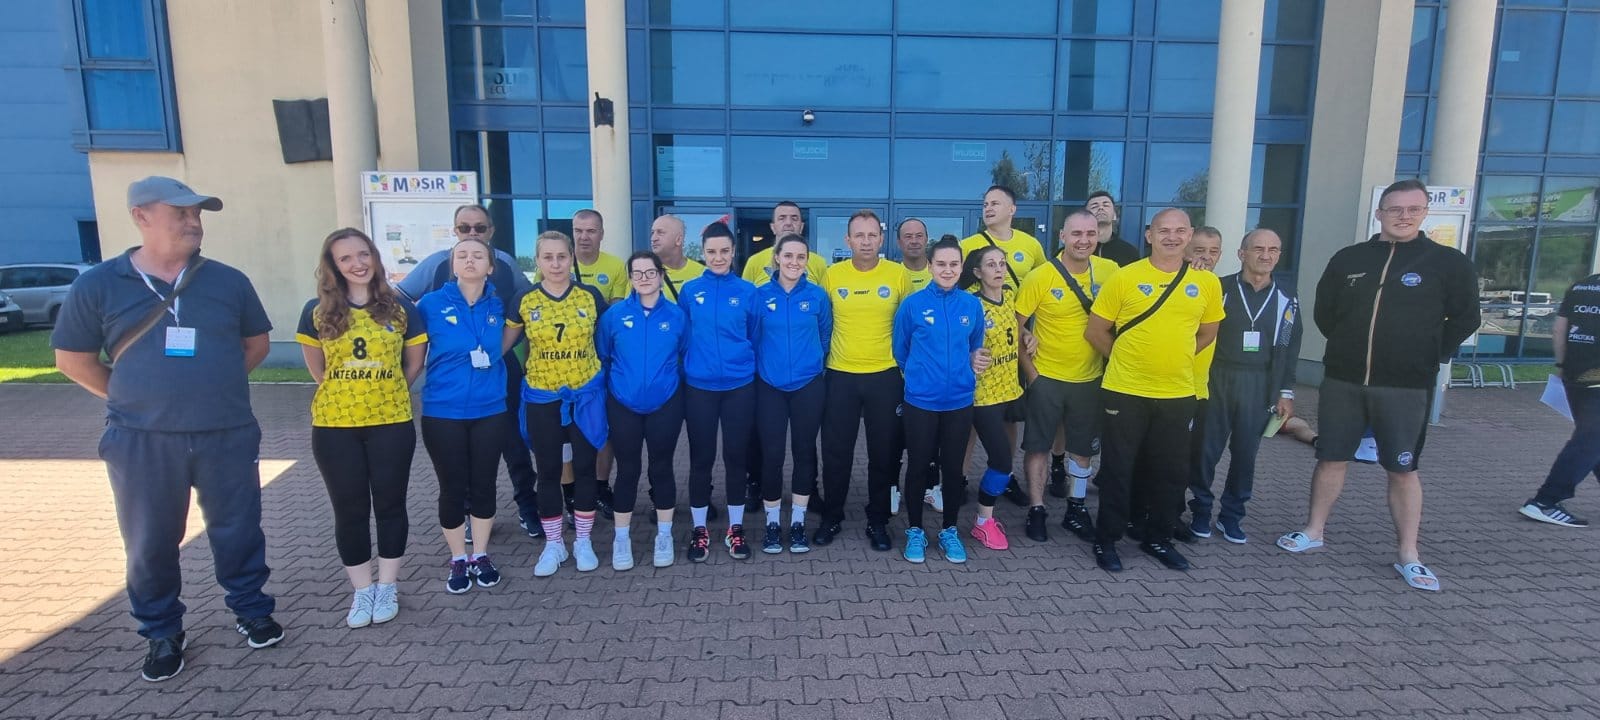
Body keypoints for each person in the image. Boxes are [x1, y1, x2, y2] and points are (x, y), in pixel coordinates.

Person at [52, 176, 283, 682]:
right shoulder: (99, 284)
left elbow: (256, 345)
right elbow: (72, 359)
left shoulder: (228, 281)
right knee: (150, 540)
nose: (193, 221)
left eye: (197, 213)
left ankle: (251, 608)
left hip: (226, 431)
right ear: (141, 216)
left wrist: (210, 388)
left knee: (239, 527)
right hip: (142, 439)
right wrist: (135, 398)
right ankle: (161, 630)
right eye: (180, 212)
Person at [1278, 179, 1479, 592]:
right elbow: (1325, 313)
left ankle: (1409, 553)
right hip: (1344, 379)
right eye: (1395, 209)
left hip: (1406, 386)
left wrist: (1428, 354)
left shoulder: (1447, 262)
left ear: (1424, 213)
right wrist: (1347, 345)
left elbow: (1466, 317)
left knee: (1402, 468)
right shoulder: (1349, 258)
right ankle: (1314, 530)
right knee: (1331, 458)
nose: (1403, 216)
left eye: (1413, 209)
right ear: (1379, 213)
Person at [297, 228, 428, 624]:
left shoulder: (401, 309)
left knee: (390, 505)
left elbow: (414, 364)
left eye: (362, 254)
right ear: (333, 266)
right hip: (335, 426)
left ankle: (387, 586)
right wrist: (347, 393)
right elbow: (318, 370)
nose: (357, 264)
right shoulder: (316, 311)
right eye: (346, 258)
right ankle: (362, 591)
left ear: (374, 256)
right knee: (349, 509)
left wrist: (386, 391)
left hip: (391, 422)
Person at [1085, 208, 1223, 573]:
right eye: (1164, 230)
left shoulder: (1207, 283)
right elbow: (1095, 331)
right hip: (1125, 390)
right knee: (1118, 469)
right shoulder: (1126, 277)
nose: (1172, 237)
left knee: (1170, 471)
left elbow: (1208, 332)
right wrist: (1128, 360)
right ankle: (1107, 539)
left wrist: (1176, 357)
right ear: (1150, 235)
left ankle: (1158, 538)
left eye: (1180, 231)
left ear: (1189, 235)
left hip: (1177, 393)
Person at [397, 205, 542, 540]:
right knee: (457, 458)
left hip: (497, 365)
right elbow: (399, 301)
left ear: (491, 231)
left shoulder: (505, 263)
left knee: (514, 443)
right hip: (451, 376)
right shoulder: (436, 265)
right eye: (465, 228)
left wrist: (499, 351)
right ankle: (464, 514)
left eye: (479, 228)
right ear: (455, 231)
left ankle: (527, 506)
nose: (472, 234)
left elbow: (526, 302)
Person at [503, 230, 611, 577]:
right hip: (542, 397)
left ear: (571, 258)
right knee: (548, 471)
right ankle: (554, 544)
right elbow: (502, 346)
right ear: (537, 261)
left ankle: (583, 540)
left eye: (561, 256)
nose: (555, 264)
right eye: (547, 257)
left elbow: (607, 341)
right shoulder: (524, 300)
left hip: (585, 396)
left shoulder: (590, 296)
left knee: (585, 469)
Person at [1188, 229, 1302, 544]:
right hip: (1218, 377)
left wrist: (1285, 391)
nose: (1265, 255)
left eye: (1273, 250)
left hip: (1259, 382)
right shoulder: (1220, 288)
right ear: (1242, 254)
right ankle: (1200, 510)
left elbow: (1290, 345)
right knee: (1205, 450)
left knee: (1245, 454)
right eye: (1258, 249)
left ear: (1279, 255)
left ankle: (1232, 516)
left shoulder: (1286, 296)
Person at [1013, 211, 1120, 543]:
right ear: (1062, 236)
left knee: (1082, 450)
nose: (1083, 240)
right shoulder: (1041, 276)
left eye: (1090, 233)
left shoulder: (1111, 272)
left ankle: (1076, 508)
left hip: (1090, 380)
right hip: (1047, 377)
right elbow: (1014, 326)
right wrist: (1033, 375)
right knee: (1038, 447)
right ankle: (1037, 509)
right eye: (1076, 233)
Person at [416, 236, 510, 593]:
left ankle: (481, 553)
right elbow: (414, 354)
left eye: (478, 256)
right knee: (452, 486)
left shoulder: (499, 305)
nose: (470, 260)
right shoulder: (430, 305)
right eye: (462, 255)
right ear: (453, 265)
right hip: (443, 410)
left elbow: (505, 343)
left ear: (490, 267)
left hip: (490, 409)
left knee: (484, 483)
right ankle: (458, 557)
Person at [816, 209, 913, 549]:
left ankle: (878, 519)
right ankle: (832, 516)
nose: (866, 241)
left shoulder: (898, 274)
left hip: (885, 376)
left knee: (883, 453)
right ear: (848, 240)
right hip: (840, 376)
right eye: (859, 235)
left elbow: (909, 326)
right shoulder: (832, 275)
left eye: (872, 235)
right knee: (835, 452)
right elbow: (821, 324)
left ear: (881, 239)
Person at [892, 238, 985, 563]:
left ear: (961, 268)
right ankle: (915, 530)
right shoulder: (913, 305)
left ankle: (949, 531)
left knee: (953, 469)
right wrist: (920, 376)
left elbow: (974, 347)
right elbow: (900, 350)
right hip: (921, 401)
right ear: (930, 267)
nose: (948, 270)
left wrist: (966, 371)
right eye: (941, 264)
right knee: (918, 465)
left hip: (959, 401)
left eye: (953, 264)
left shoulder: (971, 306)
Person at [596, 251, 688, 569]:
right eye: (638, 273)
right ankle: (622, 539)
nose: (644, 278)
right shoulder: (614, 316)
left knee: (661, 468)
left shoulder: (677, 316)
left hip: (666, 404)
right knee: (627, 470)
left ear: (661, 276)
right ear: (630, 278)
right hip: (623, 404)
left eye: (650, 272)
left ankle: (664, 535)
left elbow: (684, 354)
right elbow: (604, 356)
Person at [680, 222, 761, 561]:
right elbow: (684, 335)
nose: (718, 257)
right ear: (702, 253)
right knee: (701, 459)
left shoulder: (748, 291)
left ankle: (735, 528)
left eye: (724, 251)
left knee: (736, 458)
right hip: (699, 387)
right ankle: (699, 529)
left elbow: (754, 335)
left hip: (739, 386)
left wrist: (738, 362)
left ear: (733, 252)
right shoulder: (689, 291)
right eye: (711, 251)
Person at [753, 234, 832, 554]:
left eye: (801, 257)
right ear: (777, 258)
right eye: (788, 256)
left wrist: (812, 366)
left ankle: (798, 523)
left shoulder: (817, 296)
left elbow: (825, 336)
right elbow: (752, 337)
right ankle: (772, 524)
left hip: (807, 385)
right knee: (772, 455)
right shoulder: (759, 296)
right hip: (769, 386)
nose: (794, 262)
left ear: (807, 261)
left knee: (804, 452)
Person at [1520, 272, 1600, 528]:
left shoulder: (1582, 286)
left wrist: (1563, 366)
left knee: (1592, 439)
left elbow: (1558, 329)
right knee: (1589, 441)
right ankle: (1546, 501)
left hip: (1575, 375)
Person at [962, 245, 1025, 551]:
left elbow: (1015, 329)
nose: (999, 269)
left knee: (1005, 455)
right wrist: (969, 356)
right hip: (982, 394)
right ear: (977, 272)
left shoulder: (1010, 294)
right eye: (991, 264)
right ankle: (983, 522)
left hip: (1009, 389)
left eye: (1002, 263)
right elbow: (951, 341)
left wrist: (1027, 336)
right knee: (1001, 460)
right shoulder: (970, 303)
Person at [961, 185, 1047, 284]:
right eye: (985, 205)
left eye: (994, 204)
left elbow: (1044, 280)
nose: (988, 209)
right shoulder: (966, 245)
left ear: (1012, 210)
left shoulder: (1031, 244)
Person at [742, 201, 830, 286]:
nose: (788, 223)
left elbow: (824, 294)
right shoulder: (754, 262)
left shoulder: (819, 263)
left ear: (801, 227)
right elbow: (745, 294)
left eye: (794, 219)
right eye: (782, 218)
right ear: (773, 227)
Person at [571, 209, 629, 302]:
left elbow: (616, 307)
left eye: (591, 231)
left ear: (601, 234)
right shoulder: (558, 264)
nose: (584, 237)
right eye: (578, 231)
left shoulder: (616, 265)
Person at [651, 214, 707, 302]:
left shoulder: (703, 273)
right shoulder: (642, 274)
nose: (653, 238)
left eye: (660, 232)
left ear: (678, 240)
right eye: (652, 233)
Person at [1085, 191, 1141, 266]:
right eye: (1094, 206)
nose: (1101, 208)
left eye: (1106, 205)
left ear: (1114, 215)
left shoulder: (1129, 252)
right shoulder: (1079, 249)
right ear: (1086, 216)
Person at [897, 219, 933, 291]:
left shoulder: (942, 273)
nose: (914, 241)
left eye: (919, 236)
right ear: (899, 242)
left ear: (926, 240)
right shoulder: (892, 275)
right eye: (908, 236)